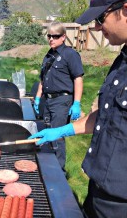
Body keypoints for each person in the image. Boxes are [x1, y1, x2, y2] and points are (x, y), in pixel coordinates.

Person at [29, 0, 127, 217]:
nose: (96, 27)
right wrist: (62, 130)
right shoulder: (125, 58)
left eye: (100, 19)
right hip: (97, 195)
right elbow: (108, 115)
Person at [33, 21, 84, 170]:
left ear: (63, 37)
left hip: (62, 101)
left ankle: (59, 171)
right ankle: (47, 166)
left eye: (55, 36)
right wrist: (37, 97)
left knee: (57, 136)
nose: (51, 39)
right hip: (48, 101)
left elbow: (78, 79)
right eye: (49, 36)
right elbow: (43, 79)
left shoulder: (70, 54)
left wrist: (77, 103)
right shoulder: (48, 55)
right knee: (47, 132)